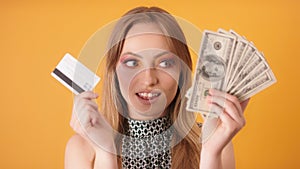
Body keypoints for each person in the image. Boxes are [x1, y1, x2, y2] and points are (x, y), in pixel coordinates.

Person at [65, 6, 249, 169]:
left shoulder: (214, 141)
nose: (148, 79)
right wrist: (106, 153)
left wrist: (210, 152)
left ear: (182, 73)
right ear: (113, 72)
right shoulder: (82, 148)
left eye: (165, 63)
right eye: (131, 62)